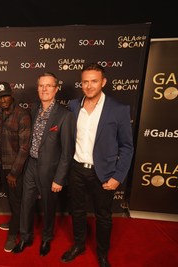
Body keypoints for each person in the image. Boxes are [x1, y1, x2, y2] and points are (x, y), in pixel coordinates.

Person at [60, 63, 134, 267]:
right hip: (76, 169)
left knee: (103, 216)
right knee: (77, 211)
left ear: (103, 82)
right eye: (85, 81)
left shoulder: (118, 110)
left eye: (94, 81)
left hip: (103, 172)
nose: (89, 85)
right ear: (81, 83)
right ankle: (79, 245)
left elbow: (127, 147)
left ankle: (102, 253)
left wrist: (118, 176)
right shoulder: (74, 106)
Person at [12, 73, 76, 256]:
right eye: (41, 86)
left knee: (48, 205)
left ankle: (46, 239)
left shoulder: (65, 116)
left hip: (50, 170)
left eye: (49, 86)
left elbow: (67, 152)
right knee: (26, 203)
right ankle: (25, 237)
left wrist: (59, 178)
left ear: (56, 89)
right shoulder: (33, 109)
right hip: (31, 164)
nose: (44, 89)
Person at [0, 82, 31, 252]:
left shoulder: (22, 114)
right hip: (2, 165)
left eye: (6, 95)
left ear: (12, 95)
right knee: (11, 200)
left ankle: (13, 236)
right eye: (0, 97)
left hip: (15, 168)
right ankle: (14, 222)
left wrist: (14, 173)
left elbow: (25, 147)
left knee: (17, 204)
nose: (3, 100)